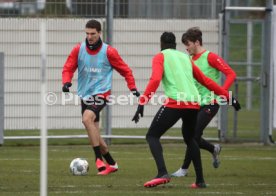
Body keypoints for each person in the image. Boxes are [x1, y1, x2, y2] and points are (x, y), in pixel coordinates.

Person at [132, 32, 240, 188]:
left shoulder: (160, 56)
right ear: (176, 45)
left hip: (176, 102)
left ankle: (162, 172)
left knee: (152, 136)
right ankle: (200, 181)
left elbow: (155, 79)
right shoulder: (185, 58)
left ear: (161, 44)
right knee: (190, 139)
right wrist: (229, 97)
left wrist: (142, 102)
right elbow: (206, 81)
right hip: (194, 104)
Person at [62, 19, 140, 175]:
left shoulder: (109, 51)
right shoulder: (78, 49)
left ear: (99, 33)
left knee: (86, 119)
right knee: (95, 133)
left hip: (101, 93)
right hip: (85, 94)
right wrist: (66, 82)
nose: (89, 37)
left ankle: (98, 159)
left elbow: (125, 70)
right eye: (87, 33)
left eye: (93, 34)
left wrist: (132, 87)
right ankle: (112, 163)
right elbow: (68, 68)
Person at [171, 27, 237, 178]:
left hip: (210, 103)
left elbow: (231, 74)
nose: (186, 48)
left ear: (197, 42)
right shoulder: (188, 60)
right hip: (194, 104)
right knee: (190, 136)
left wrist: (222, 93)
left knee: (192, 135)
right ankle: (213, 149)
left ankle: (184, 169)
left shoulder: (210, 57)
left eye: (188, 44)